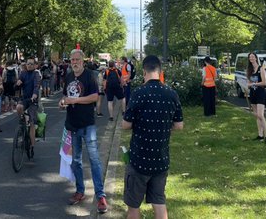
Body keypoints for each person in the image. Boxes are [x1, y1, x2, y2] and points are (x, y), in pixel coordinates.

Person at [122, 55, 185, 219]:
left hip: (139, 161)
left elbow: (125, 125)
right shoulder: (172, 94)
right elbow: (179, 125)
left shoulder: (139, 93)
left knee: (134, 207)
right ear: (160, 71)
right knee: (159, 202)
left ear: (144, 71)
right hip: (161, 160)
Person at [61, 49, 107, 213]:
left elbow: (95, 97)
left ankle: (100, 196)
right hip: (72, 125)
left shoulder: (89, 76)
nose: (74, 62)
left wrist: (76, 100)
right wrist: (63, 102)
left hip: (88, 125)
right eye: (72, 60)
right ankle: (80, 191)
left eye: (77, 60)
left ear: (82, 61)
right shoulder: (68, 76)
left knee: (94, 161)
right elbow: (66, 95)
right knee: (76, 161)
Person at [242, 53, 266, 144]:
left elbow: (264, 82)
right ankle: (260, 135)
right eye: (250, 57)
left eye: (253, 57)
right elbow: (248, 83)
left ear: (256, 58)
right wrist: (248, 86)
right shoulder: (249, 70)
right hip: (253, 94)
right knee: (256, 115)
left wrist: (254, 84)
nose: (251, 58)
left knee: (261, 115)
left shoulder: (261, 68)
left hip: (261, 94)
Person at [16, 59, 41, 147]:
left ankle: (32, 145)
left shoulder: (36, 74)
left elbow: (37, 85)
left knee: (32, 122)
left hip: (32, 100)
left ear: (35, 65)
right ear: (26, 65)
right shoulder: (23, 73)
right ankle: (22, 123)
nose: (29, 65)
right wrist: (17, 84)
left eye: (31, 64)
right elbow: (16, 85)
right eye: (28, 64)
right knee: (19, 107)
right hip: (24, 99)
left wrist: (35, 94)